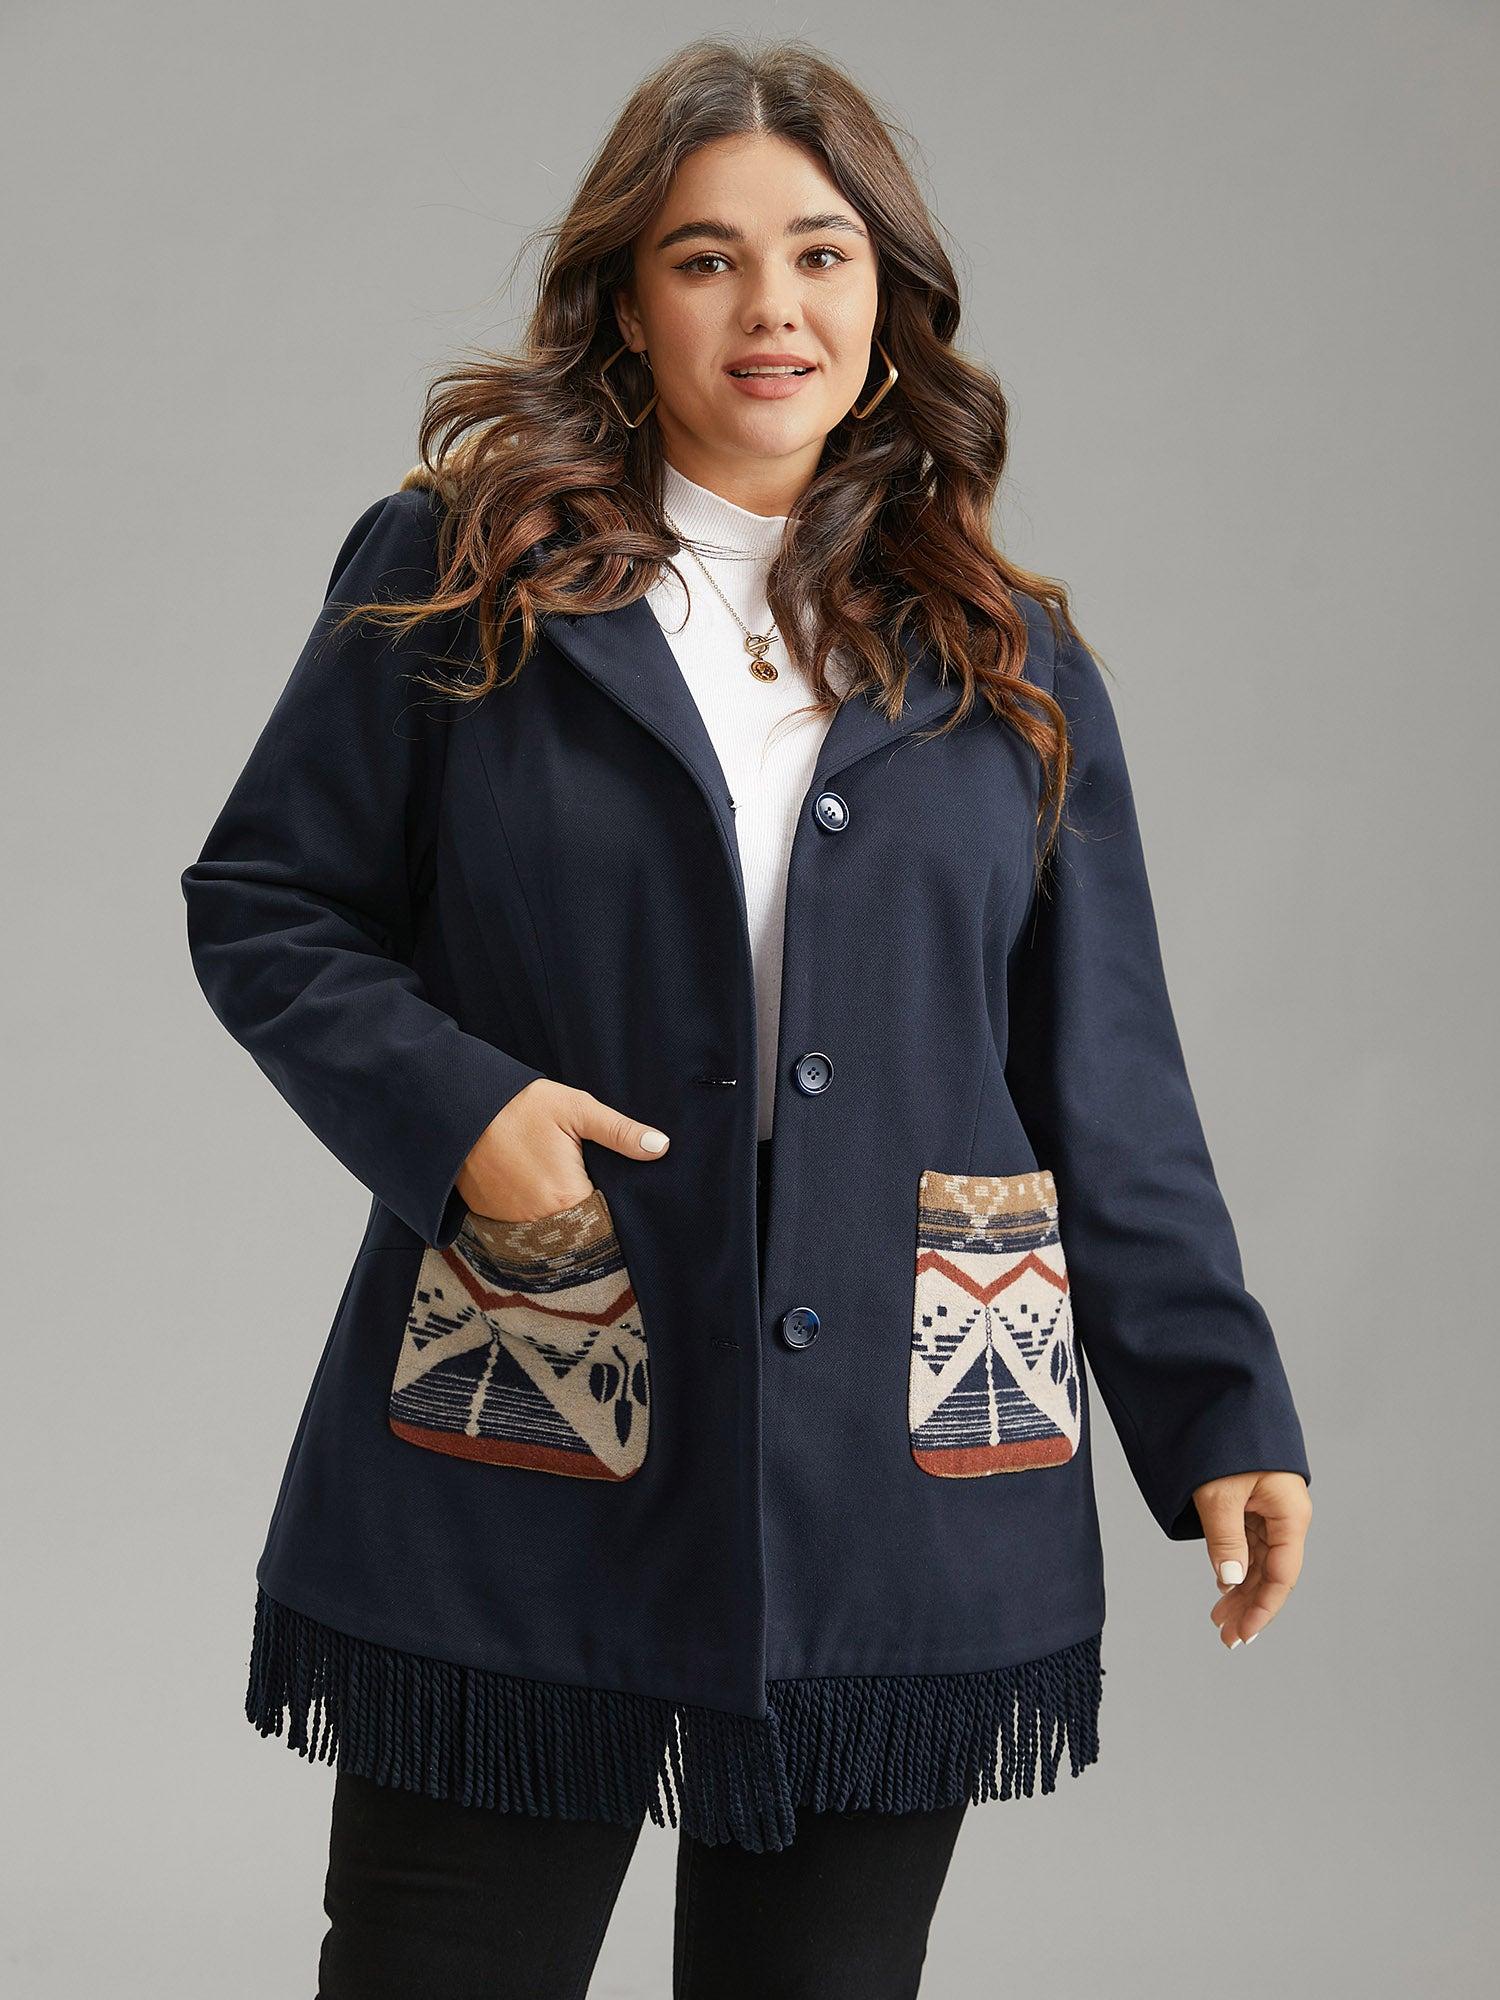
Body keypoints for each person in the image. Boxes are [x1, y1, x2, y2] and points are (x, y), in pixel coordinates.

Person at [180, 34, 1313, 2000]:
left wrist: (1218, 1407)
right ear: (629, 300)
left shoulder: (1009, 655)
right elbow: (266, 902)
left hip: (892, 1469)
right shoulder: (464, 574)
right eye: (707, 258)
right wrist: (462, 1113)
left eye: (821, 255)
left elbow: (1104, 1079)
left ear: (888, 298)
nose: (772, 306)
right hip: (537, 1413)